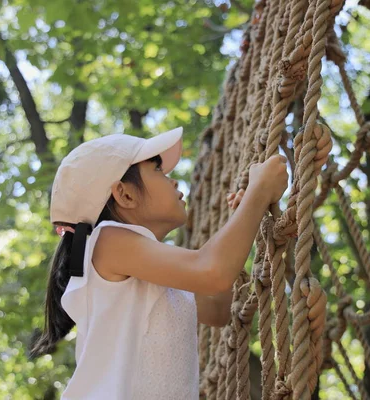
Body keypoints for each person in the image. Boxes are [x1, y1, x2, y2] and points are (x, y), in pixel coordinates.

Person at [29, 127, 291, 399]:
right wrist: (258, 193)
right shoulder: (107, 242)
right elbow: (213, 273)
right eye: (158, 171)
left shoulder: (152, 273)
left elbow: (217, 310)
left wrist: (243, 217)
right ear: (125, 194)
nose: (174, 181)